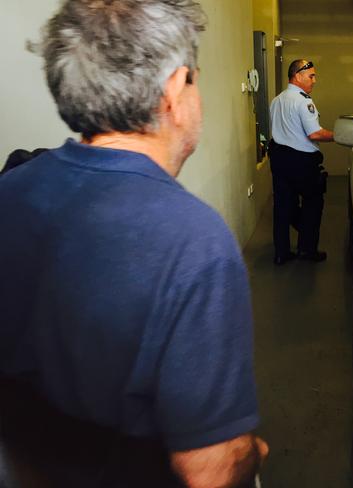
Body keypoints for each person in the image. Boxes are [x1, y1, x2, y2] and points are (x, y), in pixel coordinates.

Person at [0, 1, 268, 487]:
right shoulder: (193, 240)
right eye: (194, 78)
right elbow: (210, 471)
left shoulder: (11, 190)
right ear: (172, 92)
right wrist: (248, 453)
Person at [269, 59, 334, 265]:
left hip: (279, 158)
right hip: (302, 162)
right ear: (297, 76)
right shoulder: (304, 101)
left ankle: (282, 252)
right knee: (312, 204)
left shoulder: (276, 100)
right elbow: (314, 134)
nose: (314, 80)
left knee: (282, 205)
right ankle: (307, 250)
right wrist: (338, 135)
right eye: (311, 76)